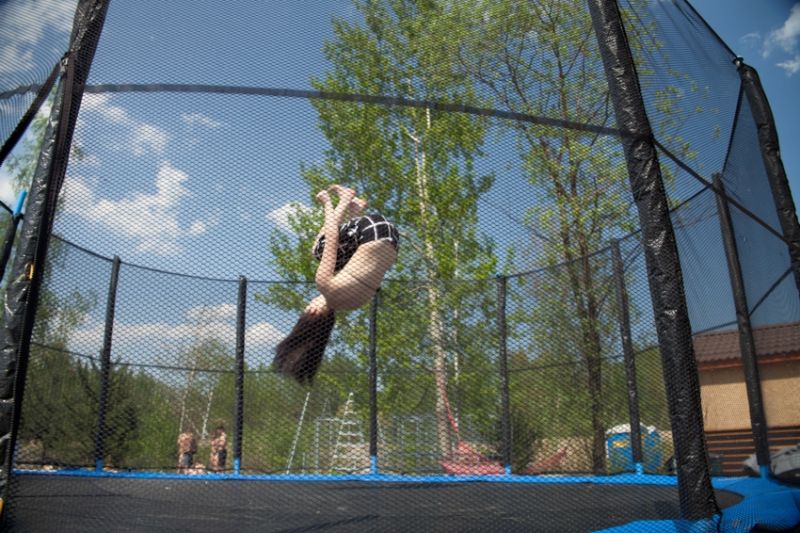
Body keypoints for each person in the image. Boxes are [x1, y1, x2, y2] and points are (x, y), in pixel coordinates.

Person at [274, 184, 399, 384]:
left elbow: (363, 264)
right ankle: (345, 199)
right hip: (373, 228)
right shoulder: (325, 285)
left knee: (340, 261)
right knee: (318, 250)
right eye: (306, 308)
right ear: (313, 311)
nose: (308, 303)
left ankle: (355, 209)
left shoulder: (354, 304)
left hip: (391, 240)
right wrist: (326, 203)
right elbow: (332, 235)